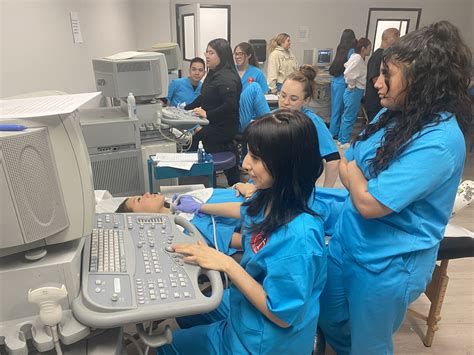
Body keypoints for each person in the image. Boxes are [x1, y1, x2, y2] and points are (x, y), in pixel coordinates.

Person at [318, 21, 472, 354]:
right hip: (348, 242)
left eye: (387, 74)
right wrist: (357, 177)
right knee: (329, 319)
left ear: (422, 82)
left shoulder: (440, 141)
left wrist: (356, 176)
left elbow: (369, 202)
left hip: (387, 265)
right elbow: (348, 161)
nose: (376, 83)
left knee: (369, 345)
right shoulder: (392, 116)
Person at [157, 109, 327, 355]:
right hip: (246, 310)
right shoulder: (273, 195)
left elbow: (281, 315)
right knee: (189, 309)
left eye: (256, 158)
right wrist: (201, 206)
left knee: (167, 347)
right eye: (248, 152)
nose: (245, 164)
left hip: (265, 340)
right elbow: (248, 209)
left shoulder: (299, 238)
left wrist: (227, 264)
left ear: (286, 164)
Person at [185, 38, 242, 185]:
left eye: (211, 52)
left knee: (194, 139)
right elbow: (204, 97)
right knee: (194, 137)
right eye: (207, 52)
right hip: (213, 125)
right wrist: (186, 109)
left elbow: (230, 106)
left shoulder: (226, 77)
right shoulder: (213, 73)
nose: (207, 56)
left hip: (223, 129)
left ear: (221, 55)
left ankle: (208, 184)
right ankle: (221, 181)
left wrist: (207, 114)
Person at [115, 189, 245, 254]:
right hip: (257, 210)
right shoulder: (190, 229)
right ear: (140, 219)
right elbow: (242, 241)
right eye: (139, 199)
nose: (147, 193)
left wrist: (240, 186)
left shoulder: (182, 202)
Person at [278, 65, 341, 187]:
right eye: (283, 95)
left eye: (293, 99)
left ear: (305, 100)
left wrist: (326, 192)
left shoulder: (312, 123)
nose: (285, 102)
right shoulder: (273, 117)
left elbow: (333, 159)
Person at [337, 37, 372, 147]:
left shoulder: (356, 57)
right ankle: (344, 141)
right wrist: (351, 84)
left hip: (354, 90)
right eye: (369, 48)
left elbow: (347, 66)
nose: (370, 50)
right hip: (354, 90)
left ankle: (341, 138)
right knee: (349, 116)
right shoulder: (357, 59)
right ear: (363, 48)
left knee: (347, 115)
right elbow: (348, 72)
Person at [364, 28, 400, 121]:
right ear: (387, 38)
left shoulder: (385, 56)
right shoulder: (379, 57)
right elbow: (375, 80)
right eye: (396, 35)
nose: (398, 39)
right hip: (375, 103)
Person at [329, 29, 357, 139]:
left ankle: (333, 131)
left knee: (334, 109)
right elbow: (351, 69)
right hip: (342, 83)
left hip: (335, 81)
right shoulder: (351, 51)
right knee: (340, 109)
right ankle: (333, 133)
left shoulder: (340, 48)